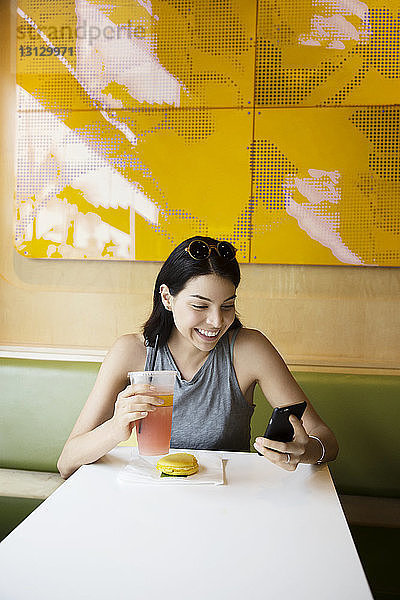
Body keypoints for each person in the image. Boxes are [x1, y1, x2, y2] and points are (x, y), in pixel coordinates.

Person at [57, 236, 338, 479]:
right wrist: (116, 429)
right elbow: (67, 462)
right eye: (200, 305)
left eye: (228, 305)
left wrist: (305, 451)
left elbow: (327, 440)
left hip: (227, 501)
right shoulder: (132, 352)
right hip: (148, 499)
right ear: (167, 298)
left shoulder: (249, 349)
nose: (217, 321)